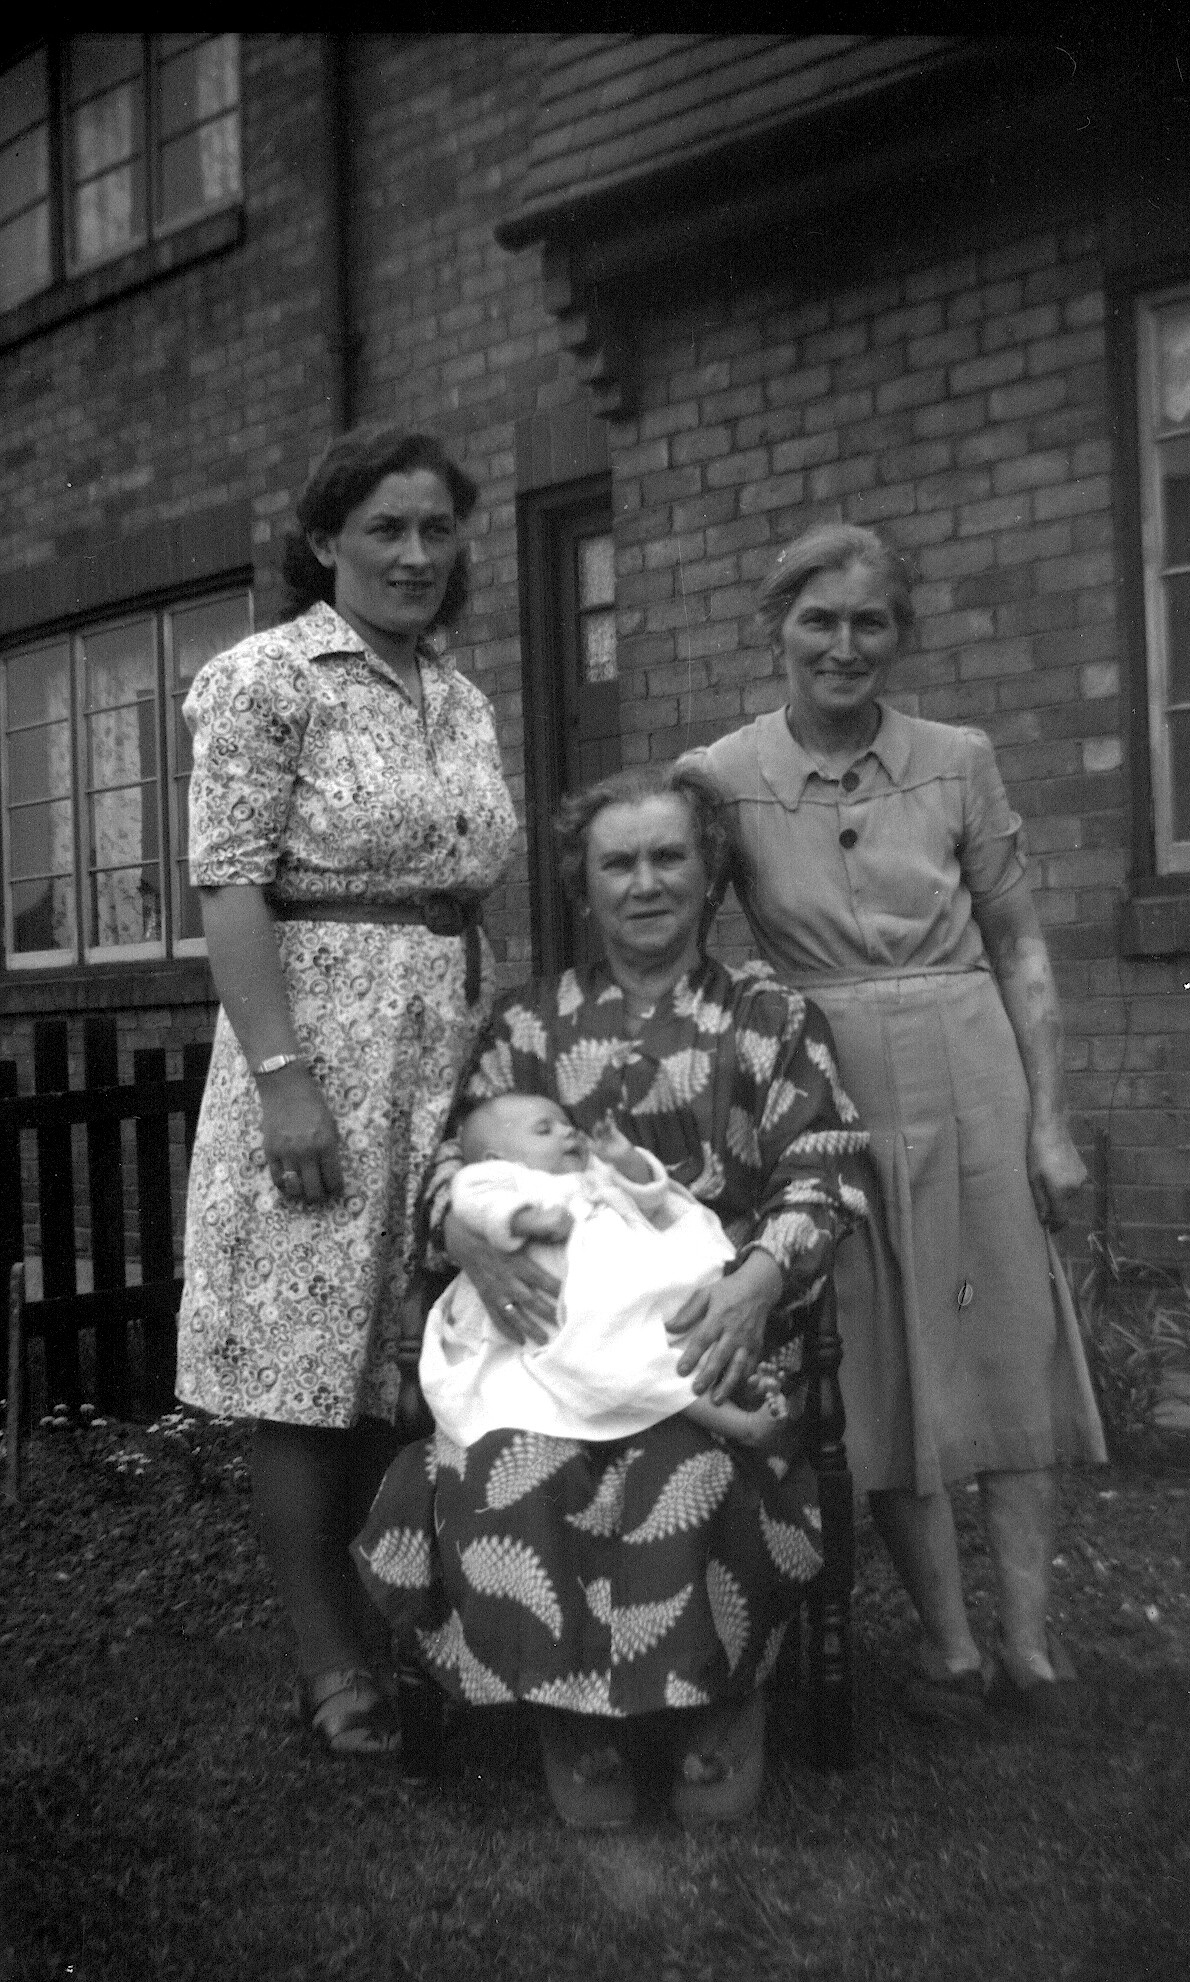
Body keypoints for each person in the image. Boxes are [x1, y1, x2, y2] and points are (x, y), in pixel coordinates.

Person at [354, 763, 875, 1826]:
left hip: (708, 1332)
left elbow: (823, 1170)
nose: (645, 882)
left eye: (668, 857)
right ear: (582, 887)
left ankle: (713, 1703)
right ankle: (574, 1718)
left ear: (709, 873)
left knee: (695, 1470)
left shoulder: (770, 1017)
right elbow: (453, 1166)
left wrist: (756, 1280)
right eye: (617, 863)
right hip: (548, 1347)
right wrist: (463, 1227)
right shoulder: (526, 1023)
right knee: (510, 1470)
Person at [680, 521, 1106, 1723]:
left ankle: (1029, 1643)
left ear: (900, 635)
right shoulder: (720, 774)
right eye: (817, 619)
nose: (843, 644)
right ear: (775, 629)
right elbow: (679, 945)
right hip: (831, 1090)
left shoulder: (958, 758)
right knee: (881, 1359)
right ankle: (948, 1644)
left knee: (1006, 1340)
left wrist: (1049, 1123)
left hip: (975, 1070)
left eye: (869, 621)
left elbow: (1019, 943)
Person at [176, 422, 517, 1755]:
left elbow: (470, 877)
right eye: (385, 527)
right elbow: (228, 884)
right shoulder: (264, 678)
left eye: (435, 528)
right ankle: (329, 1658)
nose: (415, 553)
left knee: (412, 1353)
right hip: (317, 1052)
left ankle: (406, 1620)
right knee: (307, 1361)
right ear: (325, 540)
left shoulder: (461, 696)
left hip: (444, 1054)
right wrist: (282, 1079)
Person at [420, 1091, 799, 1451]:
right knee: (629, 1362)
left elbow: (651, 1199)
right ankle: (738, 1424)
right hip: (575, 1308)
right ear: (495, 1159)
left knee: (688, 1319)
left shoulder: (594, 1173)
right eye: (544, 1129)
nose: (567, 1131)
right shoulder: (504, 1180)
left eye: (567, 1124)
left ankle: (738, 1380)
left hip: (635, 1284)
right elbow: (472, 1200)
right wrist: (525, 1220)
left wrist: (626, 1160)